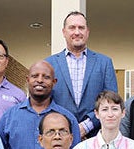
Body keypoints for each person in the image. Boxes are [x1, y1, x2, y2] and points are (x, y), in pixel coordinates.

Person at [45, 11, 118, 139]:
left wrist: (86, 126)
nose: (77, 32)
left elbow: (112, 101)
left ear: (87, 32)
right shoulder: (49, 64)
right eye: (72, 28)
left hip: (96, 137)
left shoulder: (104, 63)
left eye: (81, 28)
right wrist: (67, 127)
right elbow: (45, 102)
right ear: (64, 32)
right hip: (59, 138)